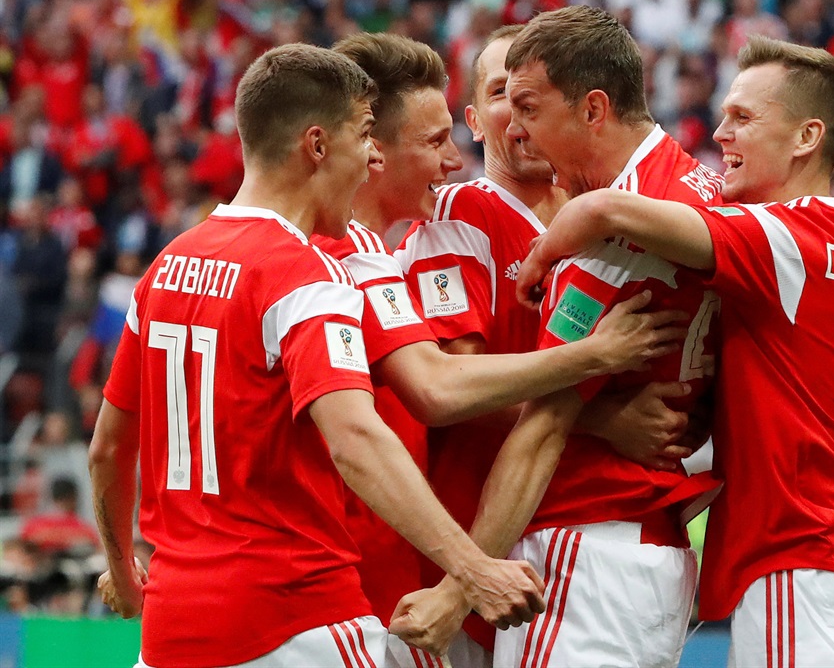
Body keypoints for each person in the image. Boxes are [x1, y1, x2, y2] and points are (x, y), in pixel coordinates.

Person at [88, 43, 549, 668]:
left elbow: (109, 448)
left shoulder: (165, 269)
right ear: (317, 145)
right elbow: (366, 431)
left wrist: (123, 568)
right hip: (294, 618)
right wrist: (471, 569)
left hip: (173, 629)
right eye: (364, 138)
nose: (371, 158)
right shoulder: (305, 272)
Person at [514, 34, 834, 667]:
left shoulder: (783, 238)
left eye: (743, 118)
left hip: (800, 558)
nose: (721, 134)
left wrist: (539, 257)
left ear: (807, 137)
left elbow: (607, 209)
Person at [316, 31, 687, 668]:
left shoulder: (606, 219)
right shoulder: (459, 213)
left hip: (498, 556)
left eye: (533, 101)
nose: (518, 118)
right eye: (501, 97)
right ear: (475, 120)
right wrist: (598, 401)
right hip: (454, 555)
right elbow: (444, 386)